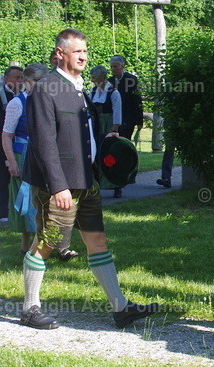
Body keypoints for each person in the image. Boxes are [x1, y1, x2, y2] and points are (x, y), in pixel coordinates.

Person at [18, 29, 159, 330]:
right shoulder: (45, 89)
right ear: (60, 53)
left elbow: (81, 133)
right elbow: (43, 142)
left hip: (86, 180)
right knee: (48, 242)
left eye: (85, 51)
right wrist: (57, 186)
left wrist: (105, 139)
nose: (83, 56)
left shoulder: (79, 87)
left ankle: (120, 308)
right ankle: (30, 308)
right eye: (77, 51)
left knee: (97, 240)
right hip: (59, 185)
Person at [3, 64, 48, 252]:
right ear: (27, 82)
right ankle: (27, 244)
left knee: (48, 198)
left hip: (46, 154)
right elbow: (7, 135)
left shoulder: (49, 100)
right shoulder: (17, 103)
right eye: (37, 81)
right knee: (27, 199)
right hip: (25, 155)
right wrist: (12, 162)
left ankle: (54, 243)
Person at [0, 65, 23, 223]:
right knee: (0, 180)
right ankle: (1, 211)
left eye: (21, 77)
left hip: (19, 145)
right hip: (0, 147)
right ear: (7, 79)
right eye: (16, 77)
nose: (20, 81)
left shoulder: (23, 96)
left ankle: (18, 210)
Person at [90, 65, 125, 197]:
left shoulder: (113, 93)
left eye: (94, 77)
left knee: (111, 155)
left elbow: (117, 114)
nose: (92, 80)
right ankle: (97, 184)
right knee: (96, 155)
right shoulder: (93, 91)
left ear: (101, 77)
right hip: (96, 127)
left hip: (110, 127)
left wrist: (113, 130)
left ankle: (116, 185)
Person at [108, 55, 142, 143]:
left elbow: (137, 100)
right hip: (113, 119)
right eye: (111, 67)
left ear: (122, 66)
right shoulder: (109, 82)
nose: (113, 69)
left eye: (115, 66)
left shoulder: (131, 80)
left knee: (125, 142)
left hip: (128, 119)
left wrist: (139, 121)